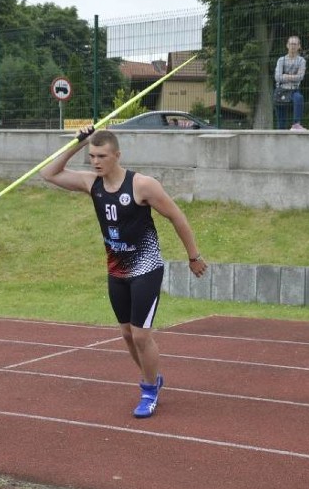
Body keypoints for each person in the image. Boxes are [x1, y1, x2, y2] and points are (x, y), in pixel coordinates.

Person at [39, 127, 207, 418]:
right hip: (116, 270)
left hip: (146, 267)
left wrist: (193, 256)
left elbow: (177, 217)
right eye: (91, 156)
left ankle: (149, 389)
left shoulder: (142, 185)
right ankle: (152, 377)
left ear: (117, 155)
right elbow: (49, 174)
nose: (95, 161)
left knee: (142, 336)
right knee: (127, 334)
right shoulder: (92, 184)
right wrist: (78, 142)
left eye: (102, 155)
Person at [273, 36, 306, 130]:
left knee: (299, 98)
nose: (293, 46)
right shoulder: (281, 60)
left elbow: (300, 77)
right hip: (281, 90)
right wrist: (293, 77)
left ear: (299, 46)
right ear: (287, 45)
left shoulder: (302, 61)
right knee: (281, 123)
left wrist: (285, 76)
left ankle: (296, 124)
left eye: (295, 44)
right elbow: (277, 77)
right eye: (291, 44)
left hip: (294, 90)